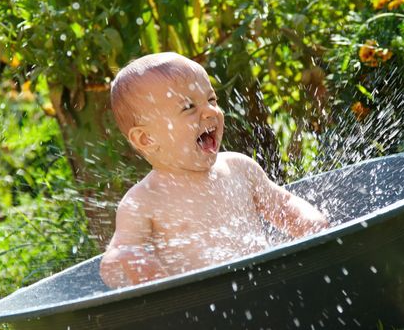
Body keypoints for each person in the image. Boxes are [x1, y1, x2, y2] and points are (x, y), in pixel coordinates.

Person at [100, 52, 329, 288]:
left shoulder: (239, 167)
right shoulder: (144, 200)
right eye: (188, 107)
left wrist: (314, 228)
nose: (210, 112)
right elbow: (117, 258)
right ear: (146, 138)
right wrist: (146, 274)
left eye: (211, 100)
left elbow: (283, 205)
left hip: (268, 285)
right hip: (206, 307)